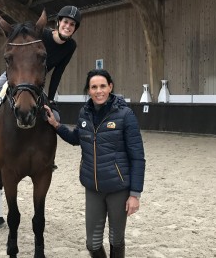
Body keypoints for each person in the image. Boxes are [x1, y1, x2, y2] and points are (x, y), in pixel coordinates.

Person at [44, 69, 145, 258]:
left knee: (116, 239)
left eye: (102, 86)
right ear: (88, 90)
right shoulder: (84, 113)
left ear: (110, 87)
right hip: (92, 188)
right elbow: (77, 138)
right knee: (92, 243)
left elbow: (138, 157)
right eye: (94, 87)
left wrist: (135, 194)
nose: (99, 91)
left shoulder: (125, 115)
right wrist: (56, 125)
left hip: (118, 188)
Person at [0, 6, 82, 166]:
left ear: (75, 29)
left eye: (72, 24)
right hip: (14, 76)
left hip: (37, 82)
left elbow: (57, 73)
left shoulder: (70, 46)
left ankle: (49, 157)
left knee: (56, 117)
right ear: (59, 22)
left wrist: (51, 101)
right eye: (65, 22)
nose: (68, 26)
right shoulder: (42, 34)